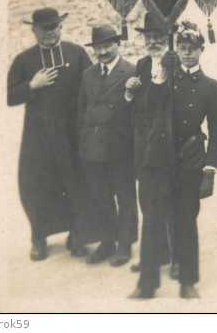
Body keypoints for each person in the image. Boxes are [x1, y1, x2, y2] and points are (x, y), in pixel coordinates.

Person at [130, 21, 217, 300]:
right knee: (152, 222)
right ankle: (146, 285)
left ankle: (188, 281)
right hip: (160, 160)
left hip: (190, 161)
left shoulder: (210, 86)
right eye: (182, 48)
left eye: (192, 49)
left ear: (201, 50)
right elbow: (149, 105)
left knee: (185, 221)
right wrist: (161, 71)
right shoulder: (166, 78)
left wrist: (210, 171)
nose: (187, 54)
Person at [7, 7, 93, 261]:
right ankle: (39, 238)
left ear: (61, 28)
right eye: (43, 30)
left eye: (54, 28)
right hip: (39, 135)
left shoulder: (76, 53)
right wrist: (32, 85)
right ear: (34, 31)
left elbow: (92, 85)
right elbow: (7, 95)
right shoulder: (24, 60)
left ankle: (77, 236)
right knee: (36, 184)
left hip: (72, 133)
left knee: (76, 181)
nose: (49, 34)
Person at [77, 24, 137, 267]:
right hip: (92, 148)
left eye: (107, 46)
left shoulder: (132, 71)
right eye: (98, 47)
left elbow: (136, 114)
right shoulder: (88, 75)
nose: (102, 51)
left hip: (119, 147)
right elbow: (80, 112)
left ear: (118, 45)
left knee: (125, 197)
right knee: (100, 197)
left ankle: (125, 243)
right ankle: (107, 241)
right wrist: (82, 143)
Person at [125, 13, 174, 273]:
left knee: (167, 201)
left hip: (166, 144)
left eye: (158, 36)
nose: (153, 41)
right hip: (143, 145)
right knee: (147, 200)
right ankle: (158, 254)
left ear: (167, 37)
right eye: (149, 37)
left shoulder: (175, 62)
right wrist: (130, 92)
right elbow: (139, 106)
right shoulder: (142, 63)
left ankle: (174, 256)